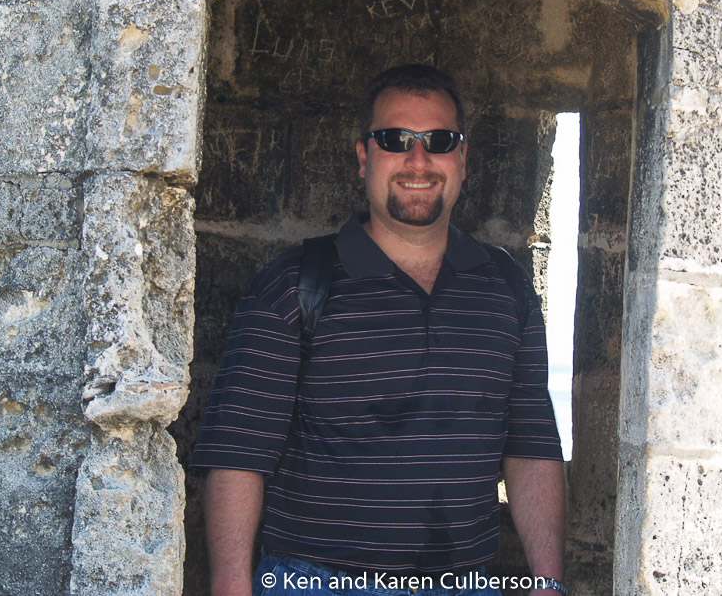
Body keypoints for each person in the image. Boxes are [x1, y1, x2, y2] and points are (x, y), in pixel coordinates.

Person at [191, 65, 566, 596]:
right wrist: (231, 586)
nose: (418, 160)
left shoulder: (506, 285)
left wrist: (548, 583)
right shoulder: (295, 283)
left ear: (462, 160)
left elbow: (530, 444)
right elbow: (238, 453)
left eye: (439, 141)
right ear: (365, 157)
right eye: (395, 140)